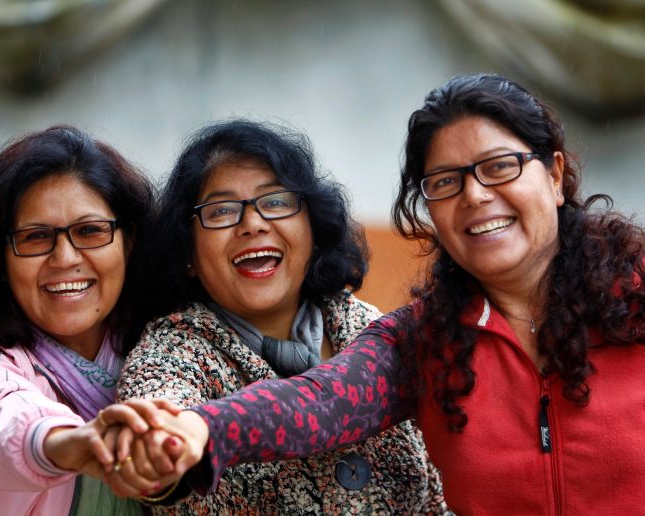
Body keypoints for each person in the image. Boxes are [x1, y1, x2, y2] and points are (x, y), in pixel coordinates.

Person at [130, 75, 645, 514]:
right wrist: (201, 428)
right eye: (446, 182)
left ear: (554, 173)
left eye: (500, 167)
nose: (475, 195)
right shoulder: (423, 340)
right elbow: (319, 403)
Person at [116, 119, 450, 514]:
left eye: (275, 201)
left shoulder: (365, 325)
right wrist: (162, 448)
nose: (253, 224)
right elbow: (159, 424)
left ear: (312, 227)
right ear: (187, 252)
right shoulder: (171, 353)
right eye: (221, 210)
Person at [0, 125, 167, 515]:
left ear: (129, 241)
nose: (65, 258)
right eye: (35, 237)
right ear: (0, 257)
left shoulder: (166, 348)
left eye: (90, 231)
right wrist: (70, 443)